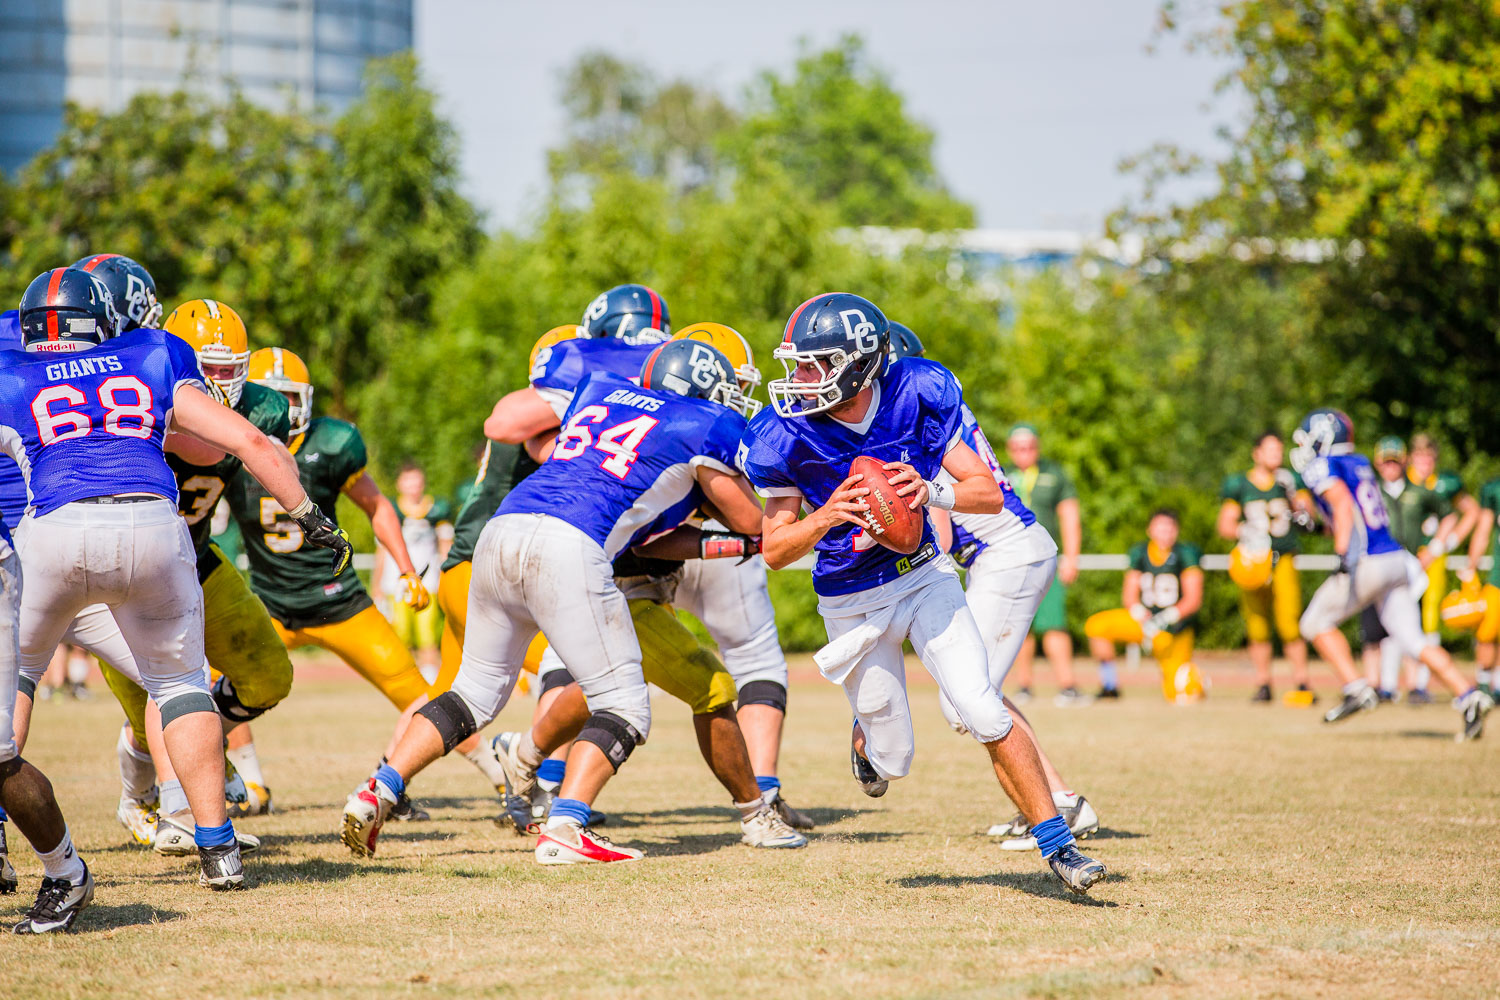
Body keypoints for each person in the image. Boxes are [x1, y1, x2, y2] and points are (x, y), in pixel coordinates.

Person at [343, 339, 766, 865]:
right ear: (704, 392)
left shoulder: (604, 393)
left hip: (503, 530)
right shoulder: (700, 422)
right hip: (572, 544)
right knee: (624, 704)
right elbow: (754, 522)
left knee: (473, 693)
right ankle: (566, 827)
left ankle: (378, 789)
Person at [1, 266, 350, 898]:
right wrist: (311, 518)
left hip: (49, 530)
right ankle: (217, 849)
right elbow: (247, 440)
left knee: (17, 676)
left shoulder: (12, 369)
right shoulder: (151, 353)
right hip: (153, 528)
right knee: (181, 685)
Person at [741, 292, 1105, 894]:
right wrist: (827, 515)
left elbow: (987, 493)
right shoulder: (782, 433)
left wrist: (932, 492)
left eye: (814, 364)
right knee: (894, 760)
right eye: (796, 364)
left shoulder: (918, 391)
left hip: (924, 576)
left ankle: (1058, 845)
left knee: (980, 705)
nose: (799, 379)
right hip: (849, 597)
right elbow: (776, 549)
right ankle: (867, 742)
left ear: (858, 364)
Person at [225, 347, 495, 817]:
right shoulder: (224, 444)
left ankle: (455, 781)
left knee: (421, 697)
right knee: (208, 692)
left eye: (288, 399)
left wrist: (408, 569)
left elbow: (378, 506)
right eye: (269, 400)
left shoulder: (331, 443)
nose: (278, 412)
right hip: (269, 604)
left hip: (339, 603)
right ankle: (251, 783)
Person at [887, 323, 1101, 849]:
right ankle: (1056, 802)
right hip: (1004, 555)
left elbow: (931, 519)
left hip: (1008, 554)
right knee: (982, 692)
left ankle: (1058, 808)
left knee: (965, 701)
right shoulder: (938, 412)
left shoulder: (916, 419)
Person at [93, 299, 297, 849]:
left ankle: (205, 753)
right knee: (152, 708)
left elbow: (263, 455)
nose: (222, 382)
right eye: (210, 369)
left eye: (233, 369)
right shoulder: (137, 390)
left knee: (268, 676)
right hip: (126, 571)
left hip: (197, 556)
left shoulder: (261, 408)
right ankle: (153, 800)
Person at [667, 321, 813, 830]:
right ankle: (764, 791)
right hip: (730, 543)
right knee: (756, 658)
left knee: (583, 662)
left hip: (641, 549)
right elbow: (753, 515)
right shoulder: (721, 426)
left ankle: (550, 781)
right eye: (737, 385)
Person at [1289, 409, 1491, 737]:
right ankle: (1468, 695)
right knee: (1414, 641)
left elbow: (1341, 506)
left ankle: (1357, 688)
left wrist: (1341, 556)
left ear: (1324, 436)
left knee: (1313, 623)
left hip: (1369, 561)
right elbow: (1350, 517)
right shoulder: (1358, 464)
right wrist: (1315, 526)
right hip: (1396, 559)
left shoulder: (1324, 464)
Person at [1217, 431, 1314, 703]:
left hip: (1283, 557)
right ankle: (1263, 683)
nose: (1275, 455)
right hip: (1252, 559)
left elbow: (1309, 519)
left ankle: (1302, 681)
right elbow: (1224, 525)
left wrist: (1296, 496)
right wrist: (1248, 530)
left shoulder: (1289, 480)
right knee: (1257, 625)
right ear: (1256, 453)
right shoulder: (1239, 484)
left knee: (1290, 622)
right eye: (1270, 450)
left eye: (1278, 450)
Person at [1002, 425, 1086, 705]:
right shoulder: (1000, 473)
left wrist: (1071, 558)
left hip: (1047, 559)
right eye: (1018, 447)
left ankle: (1068, 686)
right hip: (1011, 560)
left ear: (1037, 447)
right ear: (1010, 449)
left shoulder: (1055, 474)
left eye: (1029, 447)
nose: (1024, 453)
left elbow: (1070, 517)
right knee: (1019, 626)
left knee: (1054, 624)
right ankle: (1024, 686)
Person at [1085, 510, 1206, 703]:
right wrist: (1140, 612)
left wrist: (1166, 618)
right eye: (1160, 526)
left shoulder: (1186, 554)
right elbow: (1129, 595)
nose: (1165, 532)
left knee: (1178, 694)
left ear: (1177, 531)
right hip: (1146, 623)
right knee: (1097, 626)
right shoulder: (1140, 553)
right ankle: (1110, 686)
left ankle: (1197, 680)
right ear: (1150, 529)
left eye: (1169, 527)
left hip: (1174, 629)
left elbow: (1193, 599)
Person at [375, 461, 452, 682]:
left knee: (428, 635)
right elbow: (381, 551)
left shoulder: (437, 509)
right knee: (401, 636)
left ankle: (429, 681)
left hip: (428, 583)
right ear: (400, 484)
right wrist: (377, 586)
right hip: (396, 583)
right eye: (408, 481)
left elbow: (445, 546)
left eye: (417, 481)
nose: (413, 487)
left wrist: (447, 579)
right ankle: (407, 680)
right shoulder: (392, 510)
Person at [1460, 476, 1500, 694]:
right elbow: (1483, 531)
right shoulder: (1494, 489)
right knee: (1488, 632)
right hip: (1498, 577)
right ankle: (1485, 686)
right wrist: (1471, 567)